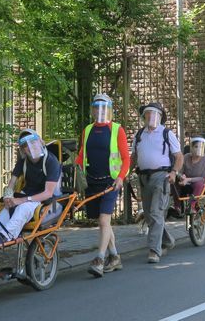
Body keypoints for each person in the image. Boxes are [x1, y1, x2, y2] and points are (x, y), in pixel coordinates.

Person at [75, 94, 130, 277]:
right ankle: (114, 257)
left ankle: (99, 259)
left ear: (109, 110)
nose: (100, 111)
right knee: (102, 222)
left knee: (104, 220)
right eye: (97, 107)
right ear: (93, 109)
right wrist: (74, 169)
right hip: (92, 181)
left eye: (103, 107)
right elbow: (82, 154)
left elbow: (125, 158)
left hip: (111, 182)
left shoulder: (117, 130)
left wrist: (121, 178)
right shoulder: (88, 130)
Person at [0, 129, 62, 248]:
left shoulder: (51, 161)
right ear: (23, 149)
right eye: (25, 145)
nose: (30, 147)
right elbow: (12, 183)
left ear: (40, 142)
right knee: (7, 209)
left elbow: (48, 193)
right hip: (28, 195)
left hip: (46, 200)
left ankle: (5, 235)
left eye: (33, 142)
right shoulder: (23, 162)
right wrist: (8, 197)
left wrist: (21, 200)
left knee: (23, 208)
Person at [131, 102, 183, 263]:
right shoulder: (139, 135)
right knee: (148, 214)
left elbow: (179, 156)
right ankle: (167, 240)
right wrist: (125, 173)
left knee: (155, 212)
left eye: (155, 114)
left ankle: (154, 250)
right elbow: (133, 157)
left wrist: (174, 172)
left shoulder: (167, 133)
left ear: (160, 117)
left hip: (162, 177)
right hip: (143, 178)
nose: (151, 116)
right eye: (148, 113)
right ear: (144, 116)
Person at [171, 137, 205, 215]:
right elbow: (180, 171)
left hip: (199, 182)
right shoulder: (186, 157)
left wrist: (188, 180)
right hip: (185, 181)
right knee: (173, 179)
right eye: (196, 147)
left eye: (201, 147)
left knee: (199, 183)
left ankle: (191, 206)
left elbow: (204, 178)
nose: (198, 149)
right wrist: (182, 177)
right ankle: (177, 206)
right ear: (191, 148)